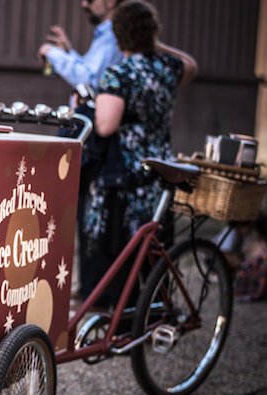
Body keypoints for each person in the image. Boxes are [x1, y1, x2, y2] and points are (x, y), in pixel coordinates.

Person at [83, 0, 198, 307]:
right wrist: (155, 44)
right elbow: (191, 64)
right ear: (152, 32)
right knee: (153, 247)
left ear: (119, 36)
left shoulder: (118, 75)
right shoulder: (168, 68)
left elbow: (106, 127)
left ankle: (123, 319)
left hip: (127, 176)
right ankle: (152, 314)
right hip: (160, 172)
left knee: (123, 252)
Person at [37, 0, 126, 306]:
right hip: (99, 137)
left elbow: (91, 80)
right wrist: (71, 52)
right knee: (87, 208)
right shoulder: (105, 35)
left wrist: (56, 55)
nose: (83, 3)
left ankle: (94, 291)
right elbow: (92, 72)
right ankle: (89, 288)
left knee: (93, 209)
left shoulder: (114, 34)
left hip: (106, 140)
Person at [38, 0, 125, 91]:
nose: (84, 4)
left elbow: (90, 81)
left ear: (110, 2)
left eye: (90, 0)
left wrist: (52, 53)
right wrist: (68, 53)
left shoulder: (112, 34)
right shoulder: (104, 33)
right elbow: (89, 69)